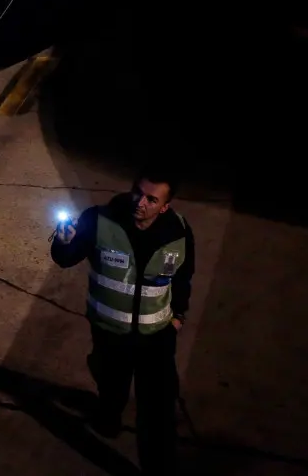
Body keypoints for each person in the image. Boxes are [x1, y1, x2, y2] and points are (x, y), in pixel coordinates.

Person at [50, 171, 194, 475]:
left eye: (151, 199)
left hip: (156, 338)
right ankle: (108, 417)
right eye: (137, 192)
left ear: (164, 206)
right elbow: (65, 258)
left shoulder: (178, 232)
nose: (140, 202)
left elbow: (182, 277)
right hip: (109, 333)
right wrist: (63, 242)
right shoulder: (99, 221)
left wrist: (178, 317)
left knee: (156, 413)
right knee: (111, 386)